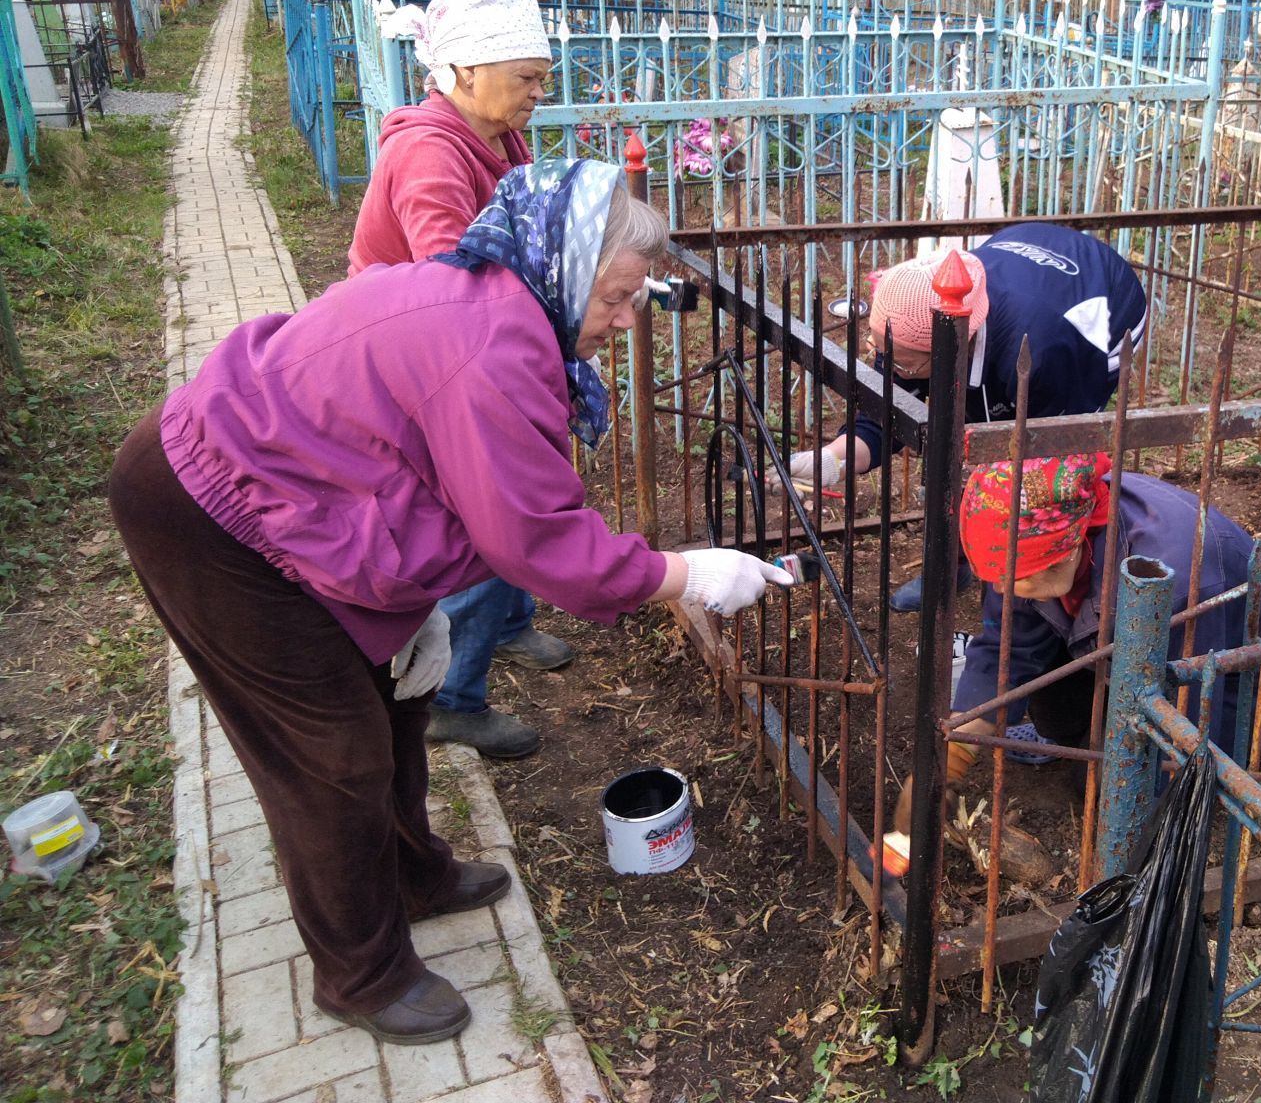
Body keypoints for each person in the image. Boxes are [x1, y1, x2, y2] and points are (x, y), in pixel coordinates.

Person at [110, 161, 789, 1046]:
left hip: (294, 500)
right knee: (331, 759)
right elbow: (536, 540)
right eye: (619, 297)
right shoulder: (490, 344)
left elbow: (423, 478)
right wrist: (686, 575)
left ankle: (413, 876)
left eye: (639, 300)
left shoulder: (508, 304)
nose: (628, 321)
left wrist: (412, 604)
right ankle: (359, 974)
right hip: (212, 517)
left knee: (397, 701)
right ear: (567, 265)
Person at [354, 0, 562, 759]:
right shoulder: (432, 156)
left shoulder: (493, 134)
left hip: (470, 341)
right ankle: (455, 697)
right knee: (481, 512)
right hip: (423, 362)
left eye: (543, 76)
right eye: (526, 76)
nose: (538, 92)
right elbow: (453, 286)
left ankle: (510, 625)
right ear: (466, 70)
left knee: (514, 483)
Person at [894, 453, 1261, 831]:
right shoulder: (1031, 547)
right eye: (994, 577)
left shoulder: (1176, 579)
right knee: (1054, 711)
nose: (1002, 590)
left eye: (1014, 576)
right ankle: (1103, 728)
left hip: (1236, 680)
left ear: (1069, 546)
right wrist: (947, 761)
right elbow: (1008, 653)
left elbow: (1186, 717)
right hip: (1121, 648)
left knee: (1111, 793)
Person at [788, 222, 1148, 611]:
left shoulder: (1043, 359)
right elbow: (887, 413)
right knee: (963, 450)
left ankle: (1042, 583)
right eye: (877, 345)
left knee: (1035, 479)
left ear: (946, 349)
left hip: (1099, 310)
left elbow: (1048, 461)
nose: (878, 355)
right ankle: (952, 565)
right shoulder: (908, 323)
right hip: (1024, 255)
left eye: (903, 364)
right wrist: (833, 460)